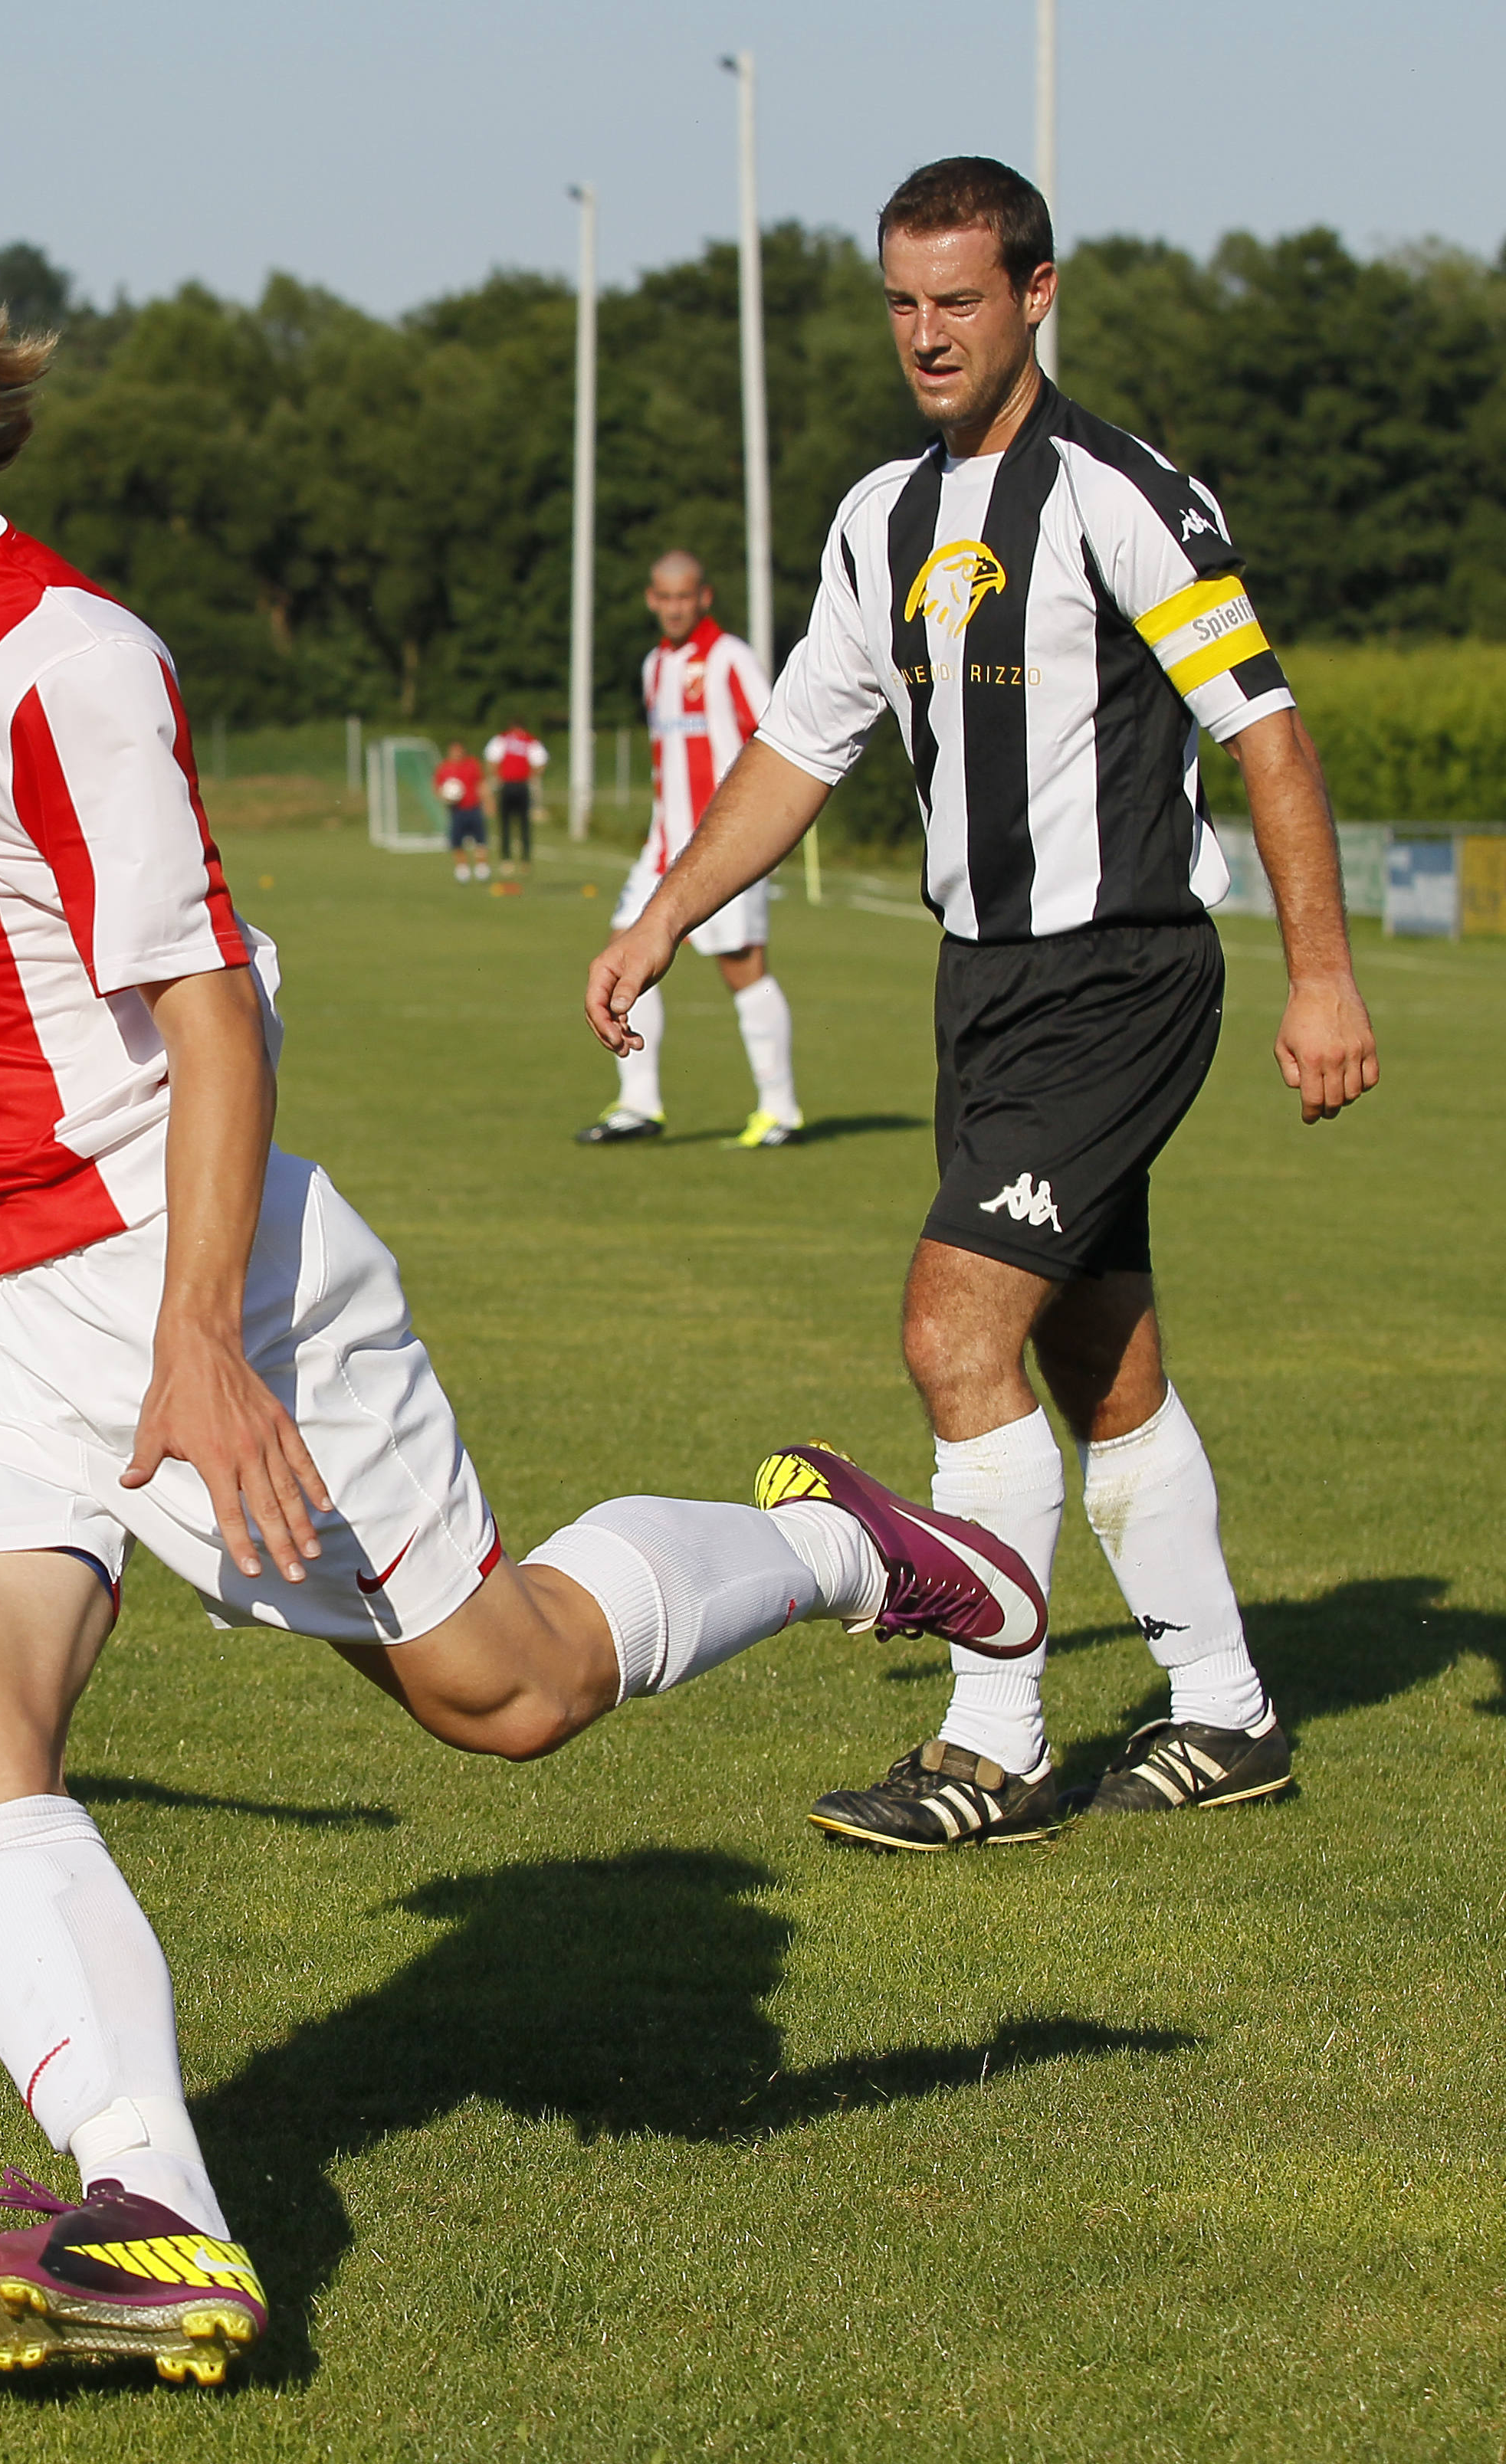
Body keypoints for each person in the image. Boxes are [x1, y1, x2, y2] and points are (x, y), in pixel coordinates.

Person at [0, 113, 1046, 2387]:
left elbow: (213, 1014)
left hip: (197, 1271)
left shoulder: (62, 660)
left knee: (506, 1693)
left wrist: (203, 1350)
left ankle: (835, 1541)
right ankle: (155, 2212)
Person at [589, 156, 1379, 1850]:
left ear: (1034, 294)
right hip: (981, 987)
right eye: (901, 301)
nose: (926, 333)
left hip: (1119, 974)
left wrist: (1320, 976)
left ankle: (991, 1743)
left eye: (959, 298)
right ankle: (1225, 1714)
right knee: (1098, 1365)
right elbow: (801, 747)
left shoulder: (1116, 494)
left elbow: (1265, 735)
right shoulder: (879, 520)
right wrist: (660, 914)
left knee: (953, 1333)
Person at [581, 553, 802, 1147]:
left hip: (722, 849)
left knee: (742, 969)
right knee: (620, 956)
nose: (675, 606)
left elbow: (778, 731)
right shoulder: (654, 665)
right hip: (660, 850)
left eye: (685, 596)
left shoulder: (730, 657)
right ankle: (638, 1104)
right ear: (652, 600)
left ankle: (779, 1110)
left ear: (703, 597)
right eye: (664, 596)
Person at [483, 718, 547, 870]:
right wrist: (533, 776)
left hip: (508, 784)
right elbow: (541, 762)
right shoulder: (531, 740)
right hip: (522, 785)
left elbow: (491, 760)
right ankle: (524, 860)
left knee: (506, 823)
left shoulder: (502, 739)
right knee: (523, 824)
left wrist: (495, 776)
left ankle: (507, 859)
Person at [432, 740, 490, 881]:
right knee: (457, 841)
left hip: (474, 808)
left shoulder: (472, 764)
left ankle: (481, 868)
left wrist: (489, 801)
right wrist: (445, 797)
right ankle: (462, 870)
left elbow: (481, 784)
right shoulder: (444, 768)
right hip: (457, 811)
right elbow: (437, 787)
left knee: (480, 840)